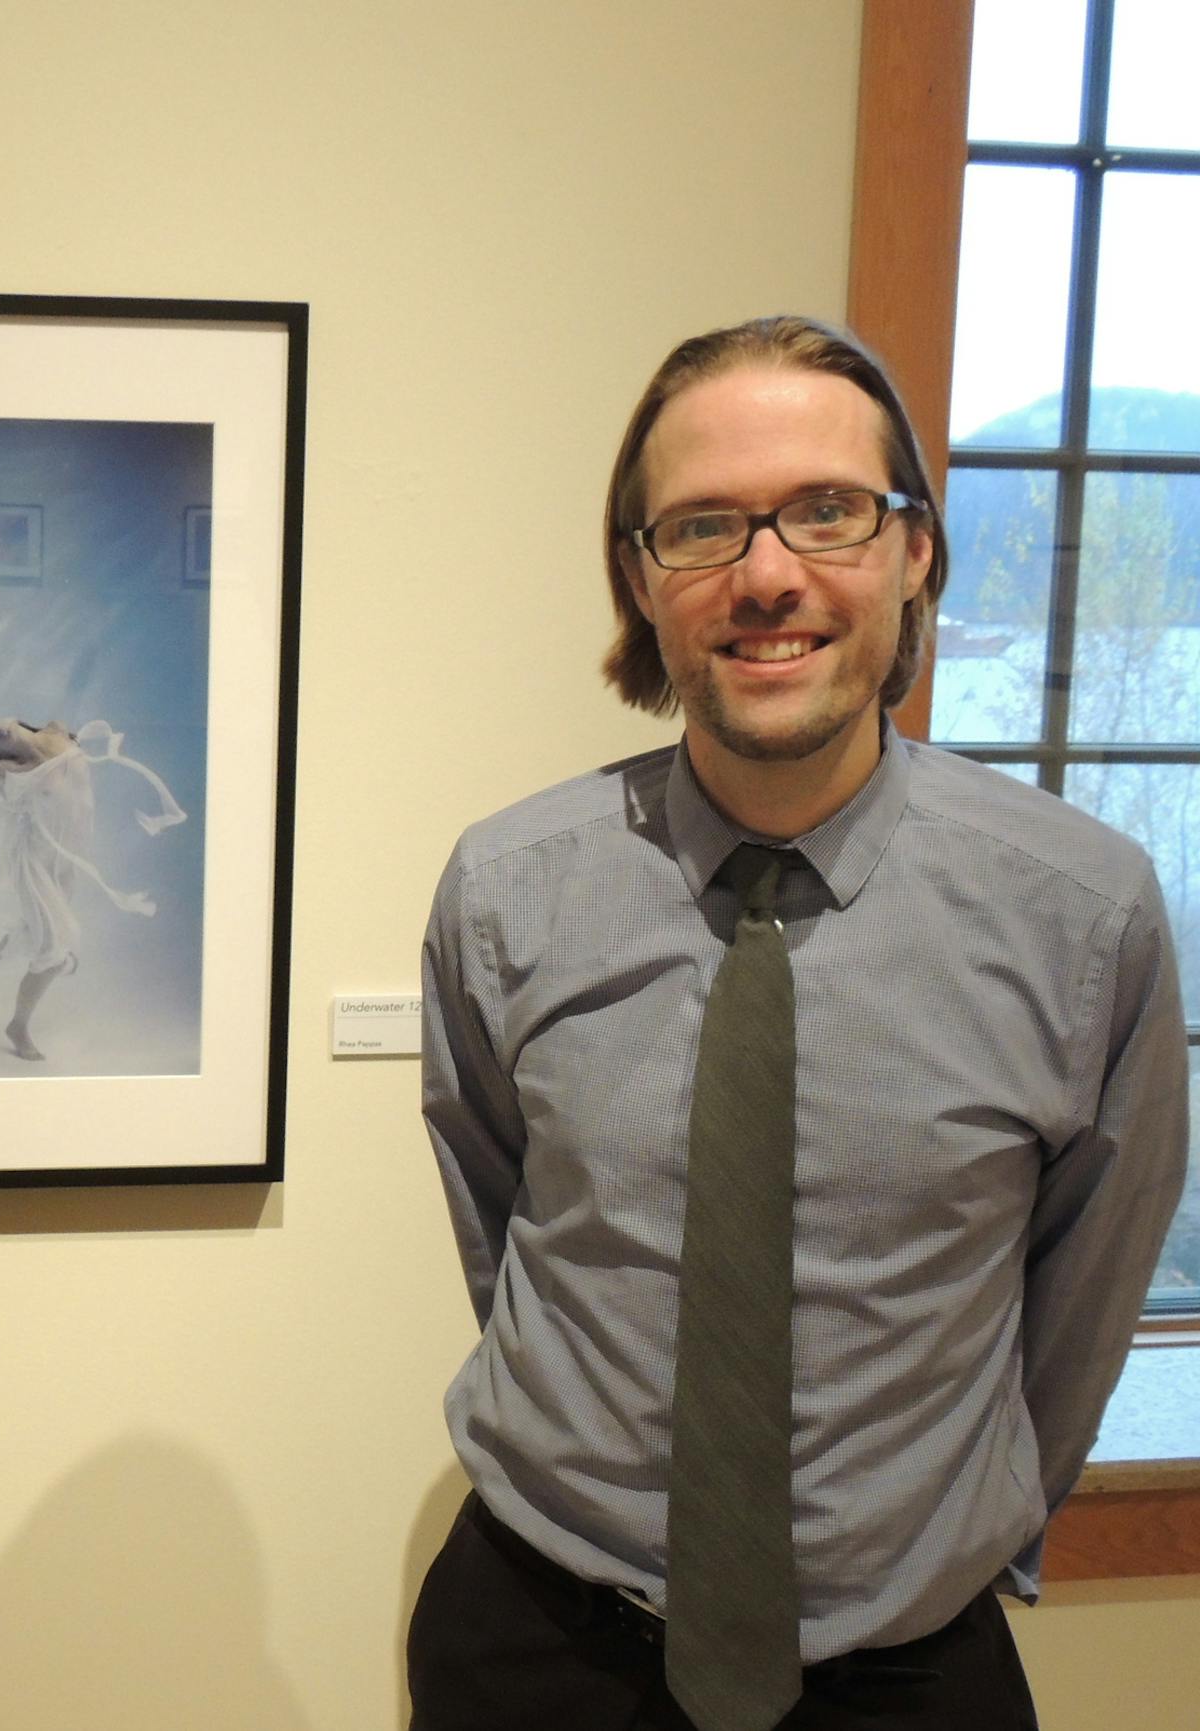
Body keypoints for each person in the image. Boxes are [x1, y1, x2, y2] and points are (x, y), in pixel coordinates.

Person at [409, 315, 1187, 1731]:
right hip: (536, 1654)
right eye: (704, 526)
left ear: (917, 550)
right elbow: (506, 1216)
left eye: (827, 510)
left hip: (906, 1673)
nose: (767, 575)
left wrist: (972, 1530)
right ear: (643, 579)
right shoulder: (507, 892)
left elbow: (1081, 1298)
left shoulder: (1088, 920)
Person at [0, 697, 184, 1061]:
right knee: (53, 954)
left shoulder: (58, 731)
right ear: (0, 757)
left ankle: (10, 946)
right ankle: (18, 1026)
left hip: (65, 863)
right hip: (35, 865)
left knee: (52, 937)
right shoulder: (12, 770)